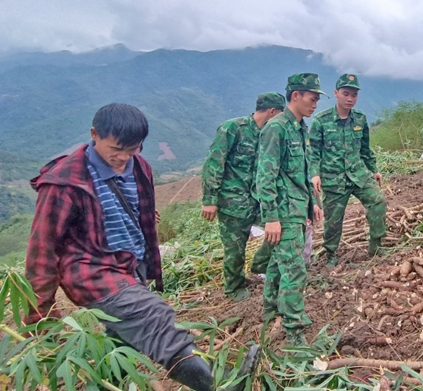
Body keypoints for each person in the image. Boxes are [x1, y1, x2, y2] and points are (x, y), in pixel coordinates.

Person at [24, 104, 258, 391]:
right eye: (116, 149)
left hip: (131, 266)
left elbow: (141, 216)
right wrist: (39, 316)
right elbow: (42, 250)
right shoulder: (64, 182)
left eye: (132, 149)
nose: (122, 157)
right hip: (91, 272)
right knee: (154, 319)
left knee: (120, 341)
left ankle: (108, 382)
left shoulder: (140, 167)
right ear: (94, 135)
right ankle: (219, 386)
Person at [255, 73, 324, 347]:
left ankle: (269, 310)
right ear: (295, 95)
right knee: (294, 270)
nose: (315, 104)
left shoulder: (300, 128)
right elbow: (265, 176)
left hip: (296, 209)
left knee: (277, 264)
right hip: (282, 213)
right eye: (312, 98)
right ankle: (294, 332)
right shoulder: (277, 128)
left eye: (317, 99)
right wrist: (271, 217)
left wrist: (313, 204)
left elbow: (302, 173)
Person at [201, 92, 285, 301]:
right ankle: (234, 287)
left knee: (280, 228)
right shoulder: (233, 128)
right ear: (272, 111)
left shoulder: (270, 134)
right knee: (235, 249)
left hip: (259, 201)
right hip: (232, 202)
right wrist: (209, 200)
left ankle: (260, 264)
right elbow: (214, 164)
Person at [308, 74, 387, 268]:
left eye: (354, 94)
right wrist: (315, 174)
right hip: (333, 178)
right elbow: (313, 151)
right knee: (333, 220)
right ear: (336, 94)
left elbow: (365, 149)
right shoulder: (321, 121)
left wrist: (374, 170)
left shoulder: (360, 119)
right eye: (346, 93)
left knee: (378, 201)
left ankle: (375, 246)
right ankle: (331, 254)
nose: (350, 98)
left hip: (358, 174)